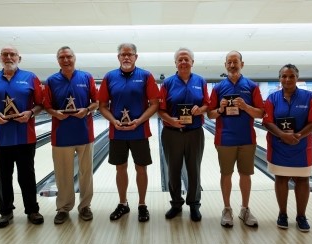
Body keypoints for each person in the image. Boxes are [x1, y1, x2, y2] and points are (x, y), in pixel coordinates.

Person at [0, 45, 44, 228]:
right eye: (5, 54)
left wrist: (30, 113)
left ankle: (32, 210)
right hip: (0, 138)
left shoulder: (31, 77)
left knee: (27, 176)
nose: (9, 57)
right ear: (0, 58)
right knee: (4, 177)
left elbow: (40, 105)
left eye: (13, 55)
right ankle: (5, 212)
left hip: (25, 137)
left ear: (19, 58)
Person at [98, 43, 159, 222]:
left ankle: (142, 204)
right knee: (120, 168)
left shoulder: (146, 76)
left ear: (135, 57)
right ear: (118, 57)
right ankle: (123, 203)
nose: (126, 57)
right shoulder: (109, 77)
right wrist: (113, 120)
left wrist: (139, 121)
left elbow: (154, 103)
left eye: (129, 54)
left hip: (139, 132)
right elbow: (102, 106)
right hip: (117, 133)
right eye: (123, 54)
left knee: (141, 168)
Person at [262, 64, 312, 232]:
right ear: (279, 78)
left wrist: (299, 135)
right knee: (281, 178)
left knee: (302, 180)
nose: (287, 79)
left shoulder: (308, 97)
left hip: (301, 147)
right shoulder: (272, 98)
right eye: (284, 76)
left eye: (291, 76)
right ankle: (282, 214)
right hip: (279, 146)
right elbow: (267, 122)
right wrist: (282, 135)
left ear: (297, 77)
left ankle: (301, 216)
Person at [207, 50, 264, 228]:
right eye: (229, 62)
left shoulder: (252, 86)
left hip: (247, 138)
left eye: (235, 62)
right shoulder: (217, 88)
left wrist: (246, 106)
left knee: (245, 175)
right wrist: (221, 109)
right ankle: (227, 209)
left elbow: (261, 113)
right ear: (225, 65)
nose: (232, 65)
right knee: (226, 174)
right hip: (224, 139)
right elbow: (210, 114)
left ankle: (245, 209)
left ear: (242, 64)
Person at [43, 46, 98, 224]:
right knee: (62, 174)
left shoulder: (86, 77)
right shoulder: (51, 81)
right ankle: (63, 208)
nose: (66, 60)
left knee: (86, 173)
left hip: (84, 133)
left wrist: (87, 109)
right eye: (62, 57)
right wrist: (55, 113)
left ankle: (85, 207)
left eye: (69, 56)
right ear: (57, 60)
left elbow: (96, 102)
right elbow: (47, 106)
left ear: (75, 58)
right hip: (61, 135)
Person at [158, 47, 209, 222]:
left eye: (186, 59)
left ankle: (194, 205)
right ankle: (176, 204)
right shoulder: (167, 84)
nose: (183, 62)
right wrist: (171, 120)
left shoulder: (201, 81)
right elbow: (160, 110)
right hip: (172, 132)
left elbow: (207, 105)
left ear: (192, 62)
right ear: (175, 63)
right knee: (173, 170)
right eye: (180, 59)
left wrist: (199, 109)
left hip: (194, 132)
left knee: (194, 169)